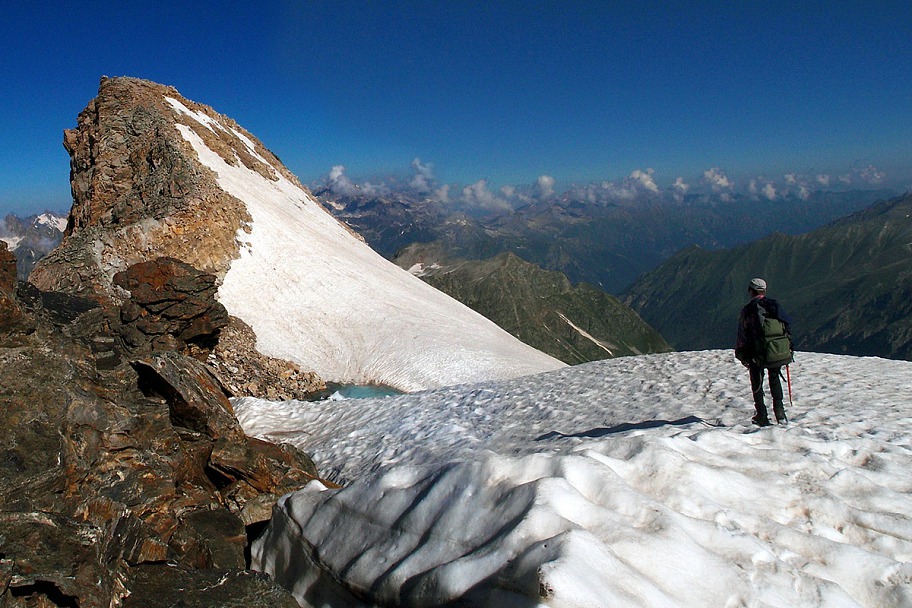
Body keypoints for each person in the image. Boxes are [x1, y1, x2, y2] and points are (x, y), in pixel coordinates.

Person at [735, 277, 793, 426]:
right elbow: (786, 327)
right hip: (776, 351)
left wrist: (741, 354)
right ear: (764, 291)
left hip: (756, 353)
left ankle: (762, 414)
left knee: (757, 382)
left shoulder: (748, 310)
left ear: (751, 291)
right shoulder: (774, 306)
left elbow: (742, 334)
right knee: (774, 378)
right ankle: (780, 414)